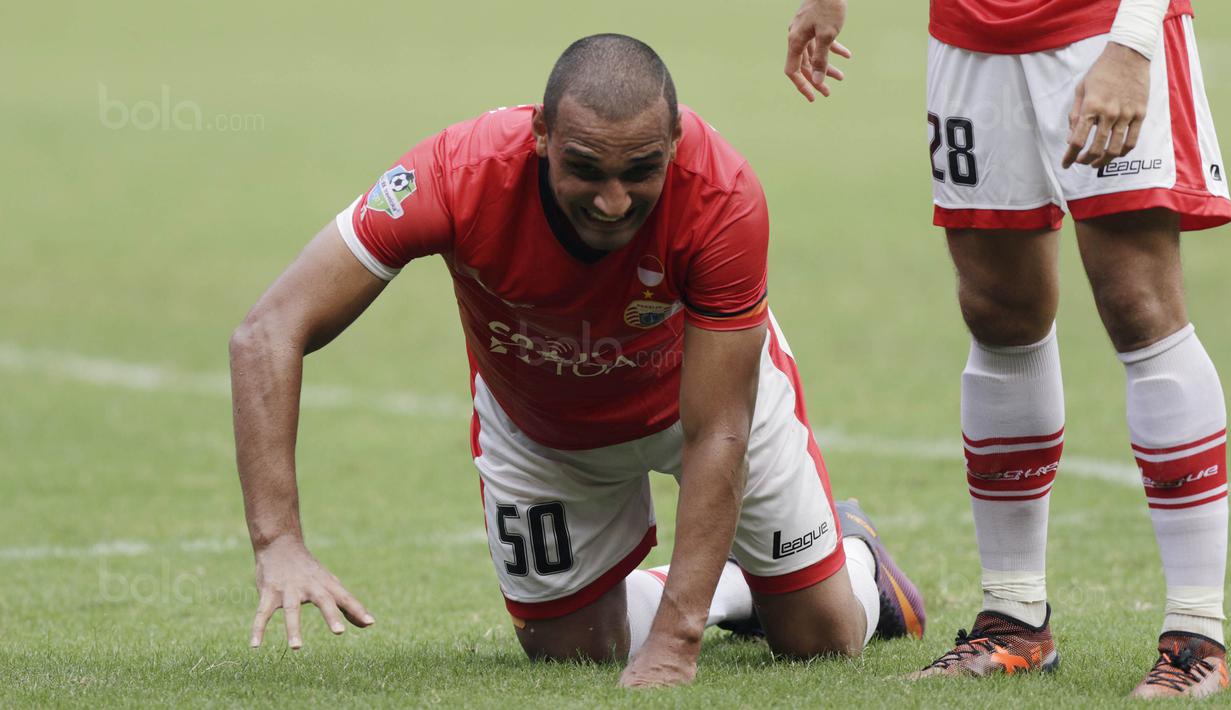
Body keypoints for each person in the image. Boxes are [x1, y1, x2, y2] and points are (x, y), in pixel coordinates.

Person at [230, 33, 926, 688]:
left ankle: (854, 551)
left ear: (674, 143)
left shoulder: (722, 197)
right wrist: (279, 542)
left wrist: (677, 642)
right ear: (541, 137)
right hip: (541, 427)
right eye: (585, 169)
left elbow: (718, 430)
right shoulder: (453, 175)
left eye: (640, 172)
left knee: (821, 638)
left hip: (699, 396)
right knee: (572, 650)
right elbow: (267, 334)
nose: (612, 200)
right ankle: (740, 588)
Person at [783, 0, 1230, 699]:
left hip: (1102, 26)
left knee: (1138, 305)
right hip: (969, 36)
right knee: (998, 309)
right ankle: (1014, 617)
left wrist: (1133, 43)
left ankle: (1196, 633)